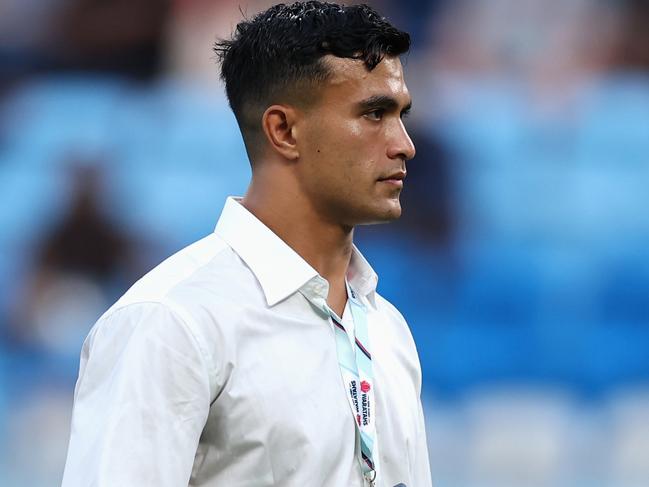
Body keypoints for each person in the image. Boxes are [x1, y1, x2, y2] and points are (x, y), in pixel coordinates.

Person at [61, 2, 432, 486]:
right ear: (283, 130)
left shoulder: (388, 329)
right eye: (374, 114)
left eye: (401, 114)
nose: (405, 144)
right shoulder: (170, 322)